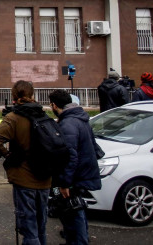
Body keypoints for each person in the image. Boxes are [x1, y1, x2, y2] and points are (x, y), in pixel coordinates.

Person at [0, 80, 52, 245]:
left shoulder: (15, 118)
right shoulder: (44, 115)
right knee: (41, 226)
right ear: (32, 95)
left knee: (29, 227)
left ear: (14, 96)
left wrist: (7, 155)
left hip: (24, 177)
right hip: (45, 178)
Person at [48, 90, 101, 245]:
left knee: (73, 211)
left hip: (75, 176)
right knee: (75, 209)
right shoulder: (80, 118)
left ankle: (78, 241)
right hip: (84, 171)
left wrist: (65, 183)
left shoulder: (68, 124)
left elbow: (70, 156)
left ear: (54, 105)